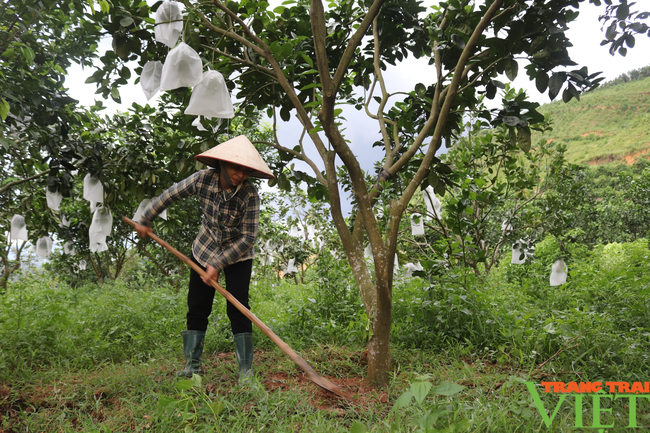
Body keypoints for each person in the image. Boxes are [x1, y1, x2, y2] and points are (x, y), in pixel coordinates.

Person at [134, 135, 274, 381]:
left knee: (238, 308)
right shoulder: (202, 180)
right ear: (221, 164)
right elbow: (169, 196)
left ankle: (245, 372)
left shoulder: (250, 195)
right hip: (204, 248)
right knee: (197, 306)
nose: (240, 175)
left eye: (245, 171)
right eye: (235, 168)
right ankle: (192, 366)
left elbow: (248, 238)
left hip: (238, 255)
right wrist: (146, 219)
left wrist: (218, 264)